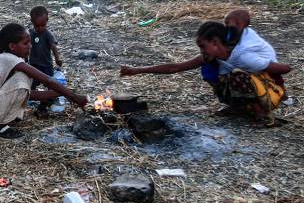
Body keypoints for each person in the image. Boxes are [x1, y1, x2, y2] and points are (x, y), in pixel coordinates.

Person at [120, 20, 290, 127]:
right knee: (208, 68)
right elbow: (176, 67)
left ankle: (264, 115)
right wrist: (137, 70)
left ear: (215, 42)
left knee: (238, 76)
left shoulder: (244, 56)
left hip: (271, 93)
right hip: (257, 90)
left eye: (202, 46)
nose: (201, 51)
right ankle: (239, 107)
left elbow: (283, 69)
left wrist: (267, 82)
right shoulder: (213, 57)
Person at [0, 23, 88, 139]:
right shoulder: (10, 60)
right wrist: (74, 97)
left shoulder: (4, 59)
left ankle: (2, 121)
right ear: (12, 46)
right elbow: (48, 80)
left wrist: (62, 93)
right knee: (23, 78)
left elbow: (28, 94)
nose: (30, 46)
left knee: (22, 82)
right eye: (25, 43)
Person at [28, 7, 63, 112]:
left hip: (46, 65)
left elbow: (53, 47)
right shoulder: (29, 33)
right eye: (37, 26)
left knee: (50, 83)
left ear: (47, 21)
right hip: (33, 64)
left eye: (43, 25)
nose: (40, 28)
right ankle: (31, 97)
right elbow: (26, 46)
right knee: (32, 83)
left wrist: (57, 58)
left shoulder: (47, 34)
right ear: (32, 22)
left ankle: (49, 98)